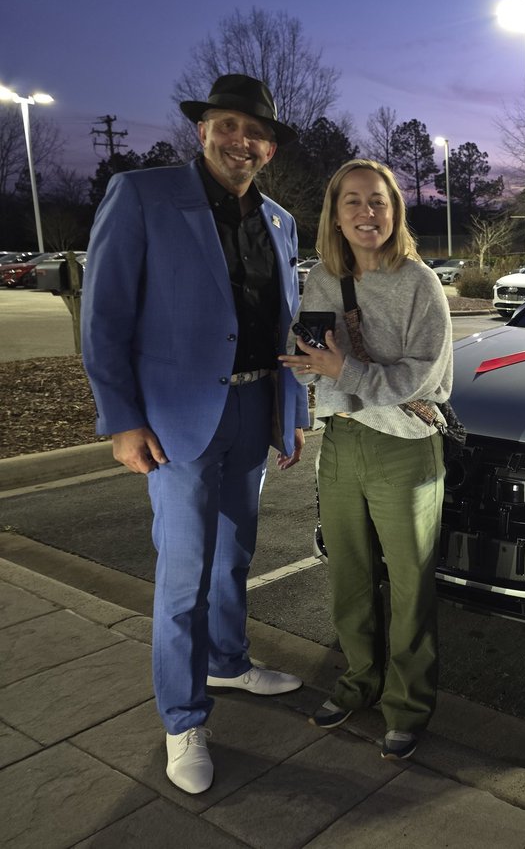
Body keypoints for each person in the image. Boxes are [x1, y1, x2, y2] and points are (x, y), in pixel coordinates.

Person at [81, 74, 309, 795]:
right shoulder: (142, 196)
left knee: (236, 555)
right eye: (229, 125)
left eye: (256, 133)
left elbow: (283, 324)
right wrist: (121, 419)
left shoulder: (279, 221)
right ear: (203, 129)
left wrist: (292, 413)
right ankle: (183, 718)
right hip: (176, 418)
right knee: (184, 577)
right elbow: (105, 316)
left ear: (269, 150)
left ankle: (228, 662)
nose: (242, 141)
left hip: (253, 407)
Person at [278, 159, 452, 761]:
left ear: (394, 210)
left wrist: (342, 370)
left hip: (403, 446)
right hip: (341, 439)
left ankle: (407, 705)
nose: (366, 212)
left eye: (377, 200)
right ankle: (358, 682)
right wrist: (305, 365)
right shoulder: (325, 280)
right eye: (351, 201)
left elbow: (421, 377)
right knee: (348, 574)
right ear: (335, 214)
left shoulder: (419, 283)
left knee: (408, 584)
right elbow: (315, 364)